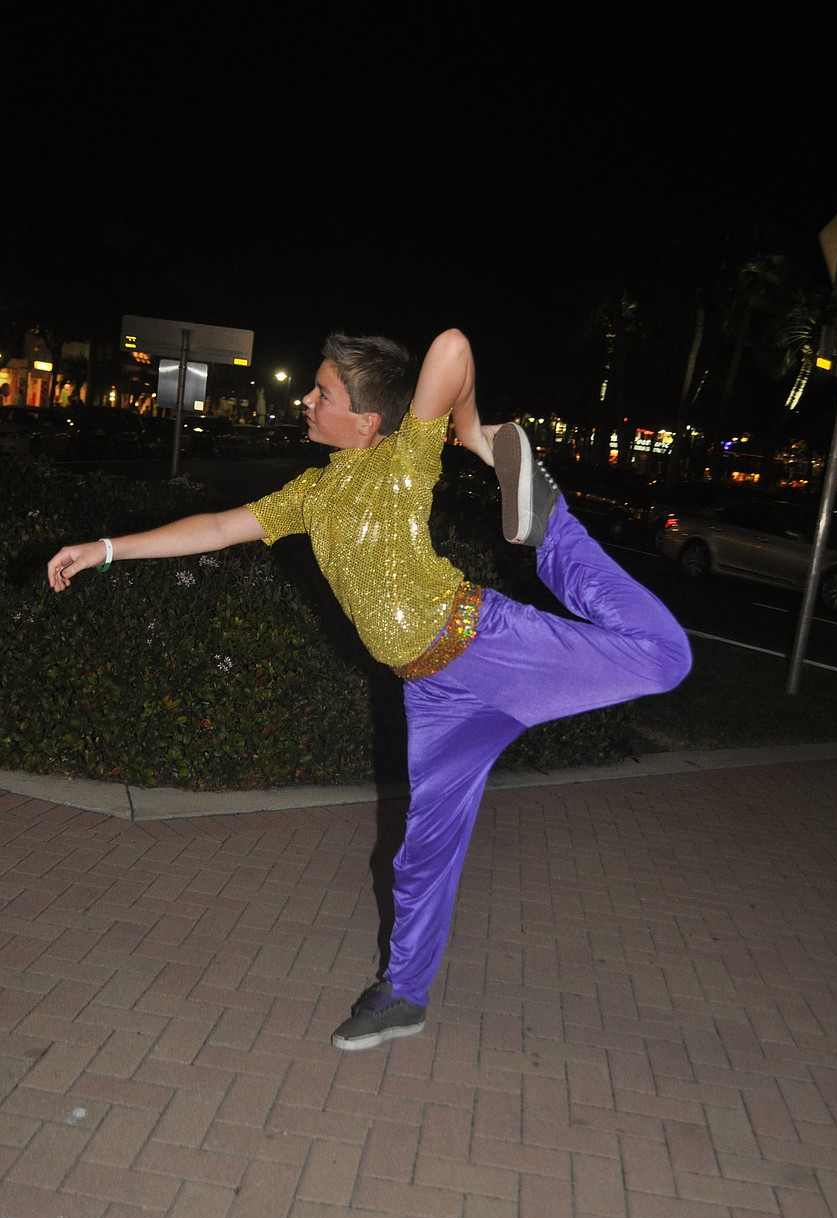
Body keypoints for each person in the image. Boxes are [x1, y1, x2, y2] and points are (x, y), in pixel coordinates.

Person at [47, 328, 692, 1052]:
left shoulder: (401, 460)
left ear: (366, 422)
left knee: (664, 657)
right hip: (434, 694)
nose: (306, 399)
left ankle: (552, 527)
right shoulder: (313, 493)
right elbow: (222, 526)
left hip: (488, 643)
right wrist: (108, 549)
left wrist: (469, 432)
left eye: (322, 392)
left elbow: (452, 347)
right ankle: (403, 996)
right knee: (421, 853)